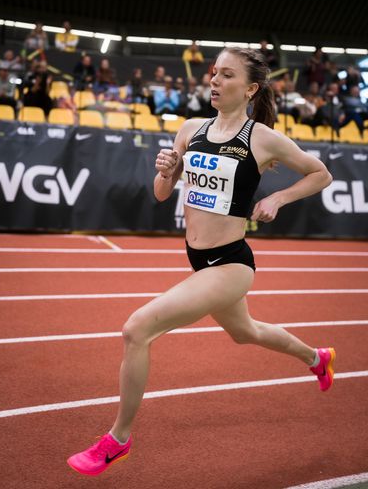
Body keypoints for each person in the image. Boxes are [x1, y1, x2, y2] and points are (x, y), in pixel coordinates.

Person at [67, 47, 335, 477]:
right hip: (199, 259)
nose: (213, 81)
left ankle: (118, 440)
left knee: (137, 328)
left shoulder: (261, 137)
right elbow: (160, 192)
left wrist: (278, 198)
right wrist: (164, 169)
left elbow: (321, 172)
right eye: (213, 73)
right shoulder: (191, 129)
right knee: (246, 332)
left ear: (249, 88)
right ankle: (316, 358)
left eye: (226, 76)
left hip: (230, 264)